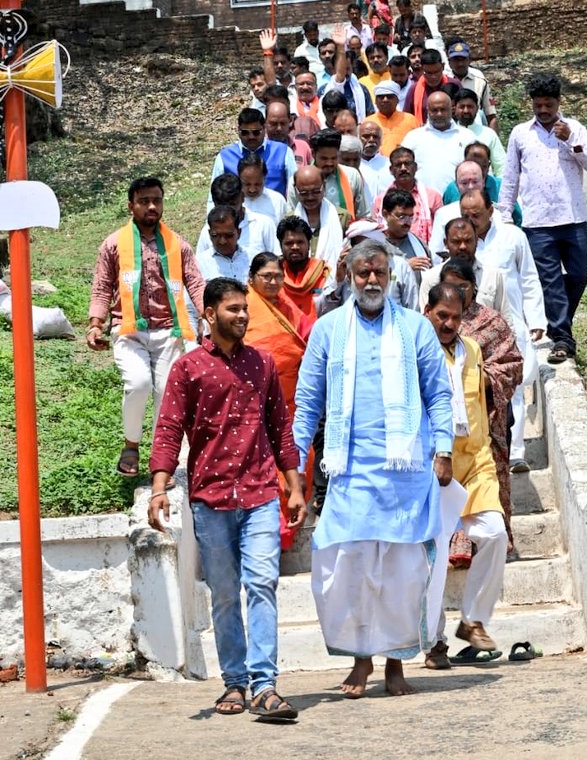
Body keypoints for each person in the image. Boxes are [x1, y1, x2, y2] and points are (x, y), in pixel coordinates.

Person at [292, 241, 454, 697]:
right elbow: (307, 401)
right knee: (348, 568)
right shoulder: (327, 331)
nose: (371, 281)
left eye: (379, 272)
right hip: (350, 472)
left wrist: (443, 448)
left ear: (391, 275)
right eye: (362, 273)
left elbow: (439, 394)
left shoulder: (416, 328)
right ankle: (360, 660)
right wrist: (292, 462)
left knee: (401, 575)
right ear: (348, 275)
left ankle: (396, 664)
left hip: (406, 474)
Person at [148, 277, 306, 720]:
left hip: (258, 494)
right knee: (222, 594)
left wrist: (293, 486)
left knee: (261, 584)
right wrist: (160, 487)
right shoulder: (188, 368)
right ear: (210, 314)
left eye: (244, 309)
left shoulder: (263, 364)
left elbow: (280, 427)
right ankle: (234, 683)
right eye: (233, 309)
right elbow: (168, 430)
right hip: (210, 499)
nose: (242, 315)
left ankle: (265, 684)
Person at [88, 177, 205, 478]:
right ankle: (130, 445)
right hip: (129, 331)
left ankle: (160, 456)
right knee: (139, 384)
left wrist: (208, 316)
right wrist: (95, 323)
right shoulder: (113, 244)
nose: (152, 207)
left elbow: (195, 282)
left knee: (167, 393)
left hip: (170, 331)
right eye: (144, 201)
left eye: (157, 200)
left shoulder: (177, 244)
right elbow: (102, 287)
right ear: (131, 206)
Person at [423, 282, 507, 668]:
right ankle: (434, 641)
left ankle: (472, 619)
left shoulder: (472, 350)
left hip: (475, 460)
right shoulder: (417, 351)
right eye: (443, 315)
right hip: (433, 465)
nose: (449, 323)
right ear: (428, 312)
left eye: (456, 317)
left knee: (494, 533)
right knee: (434, 556)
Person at [498, 74, 587, 363]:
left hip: (573, 217)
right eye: (538, 104)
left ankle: (559, 324)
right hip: (538, 221)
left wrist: (571, 141)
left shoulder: (575, 129)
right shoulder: (520, 133)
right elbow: (510, 176)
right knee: (551, 281)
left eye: (548, 104)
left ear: (559, 102)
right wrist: (505, 213)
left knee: (580, 275)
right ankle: (562, 339)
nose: (543, 110)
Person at [461, 189, 546, 473]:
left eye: (476, 214)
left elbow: (529, 278)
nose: (471, 220)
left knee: (515, 389)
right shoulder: (460, 242)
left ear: (491, 211)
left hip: (509, 326)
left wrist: (536, 320)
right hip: (469, 334)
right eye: (465, 215)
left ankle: (516, 452)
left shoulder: (513, 237)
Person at [440, 259, 522, 549]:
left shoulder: (492, 322)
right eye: (450, 287)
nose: (457, 293)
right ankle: (453, 544)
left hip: (484, 420)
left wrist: (481, 379)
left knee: (489, 506)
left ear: (474, 288)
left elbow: (513, 364)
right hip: (442, 434)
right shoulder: (427, 333)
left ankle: (492, 545)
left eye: (462, 287)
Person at [245, 253, 313, 549]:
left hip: (292, 401)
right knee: (266, 466)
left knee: (300, 459)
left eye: (277, 276)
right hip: (254, 402)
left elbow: (308, 334)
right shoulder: (243, 306)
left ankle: (288, 530)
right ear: (252, 279)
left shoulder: (287, 305)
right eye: (266, 277)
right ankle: (272, 534)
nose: (273, 282)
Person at [418, 217, 513, 327]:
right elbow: (426, 322)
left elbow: (506, 321)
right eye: (456, 242)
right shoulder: (431, 278)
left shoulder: (492, 275)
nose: (463, 246)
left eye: (468, 241)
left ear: (477, 241)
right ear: (446, 243)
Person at [318, 220, 419, 313]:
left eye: (379, 272)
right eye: (356, 245)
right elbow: (323, 311)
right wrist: (338, 281)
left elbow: (413, 308)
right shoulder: (343, 266)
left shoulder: (400, 266)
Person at [209, 107, 296, 202]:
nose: (251, 137)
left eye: (256, 132)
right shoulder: (224, 157)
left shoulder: (283, 152)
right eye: (245, 132)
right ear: (238, 130)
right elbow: (213, 195)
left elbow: (293, 189)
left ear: (264, 128)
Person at [402, 91, 477, 195]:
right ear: (428, 111)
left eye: (443, 109)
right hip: (422, 201)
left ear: (452, 109)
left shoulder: (467, 136)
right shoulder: (413, 137)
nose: (439, 114)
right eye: (434, 110)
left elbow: (478, 169)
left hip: (458, 202)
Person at [288, 130, 369, 221]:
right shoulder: (298, 180)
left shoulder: (352, 176)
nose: (329, 163)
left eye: (334, 158)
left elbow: (363, 215)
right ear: (313, 154)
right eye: (324, 158)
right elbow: (292, 217)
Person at [197, 173, 278, 263]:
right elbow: (199, 266)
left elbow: (277, 259)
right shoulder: (208, 231)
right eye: (221, 205)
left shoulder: (263, 225)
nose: (226, 212)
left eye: (232, 205)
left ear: (242, 197)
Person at [372, 146, 442, 245]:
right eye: (398, 165)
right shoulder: (381, 200)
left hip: (426, 253)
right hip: (391, 253)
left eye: (407, 164)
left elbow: (440, 231)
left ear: (415, 167)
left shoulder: (432, 196)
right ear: (391, 170)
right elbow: (377, 232)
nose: (403, 168)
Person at [443, 143, 522, 225]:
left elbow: (517, 219)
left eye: (482, 166)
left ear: (488, 166)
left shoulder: (501, 187)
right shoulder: (452, 189)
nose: (477, 169)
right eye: (473, 164)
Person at [289, 164, 348, 274]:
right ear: (295, 190)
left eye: (316, 191)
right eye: (304, 193)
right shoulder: (288, 220)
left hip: (335, 283)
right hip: (297, 284)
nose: (310, 197)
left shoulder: (342, 217)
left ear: (324, 186)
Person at [277, 215, 331, 322]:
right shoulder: (273, 275)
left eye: (300, 242)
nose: (295, 247)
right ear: (280, 245)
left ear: (309, 244)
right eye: (289, 243)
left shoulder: (324, 273)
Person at [429, 160, 485, 259]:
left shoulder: (497, 214)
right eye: (464, 183)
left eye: (475, 182)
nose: (470, 187)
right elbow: (435, 254)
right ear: (456, 184)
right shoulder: (443, 214)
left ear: (483, 181)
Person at [445, 40, 498, 132]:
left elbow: (490, 115)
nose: (460, 64)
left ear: (469, 60)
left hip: (476, 132)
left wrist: (493, 140)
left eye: (463, 59)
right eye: (456, 60)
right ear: (449, 62)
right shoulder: (444, 80)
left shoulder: (480, 81)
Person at [381, 188, 432, 280]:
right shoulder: (375, 244)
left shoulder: (418, 244)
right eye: (402, 217)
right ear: (385, 214)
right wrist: (404, 267)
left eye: (411, 217)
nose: (407, 223)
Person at [452, 88, 506, 175]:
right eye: (462, 107)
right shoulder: (450, 134)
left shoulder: (489, 134)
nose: (466, 111)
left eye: (470, 107)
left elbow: (501, 167)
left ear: (477, 108)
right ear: (455, 109)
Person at [195, 205, 250, 284]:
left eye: (228, 235)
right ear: (209, 234)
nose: (222, 241)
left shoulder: (252, 258)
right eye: (215, 235)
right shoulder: (199, 264)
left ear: (239, 233)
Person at [403, 49, 460, 122]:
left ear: (443, 66)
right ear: (422, 69)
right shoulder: (414, 89)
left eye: (436, 72)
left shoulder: (454, 85)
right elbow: (407, 118)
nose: (433, 76)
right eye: (429, 73)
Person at [370, 79, 419, 156]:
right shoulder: (368, 122)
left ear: (397, 100)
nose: (385, 100)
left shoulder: (411, 120)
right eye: (381, 97)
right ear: (375, 101)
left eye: (389, 96)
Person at [238, 153, 287, 227]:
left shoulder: (277, 201)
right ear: (239, 178)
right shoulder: (231, 202)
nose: (252, 190)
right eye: (247, 184)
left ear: (264, 178)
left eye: (257, 184)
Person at [358, 120, 392, 200]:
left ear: (381, 141)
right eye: (366, 136)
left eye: (375, 137)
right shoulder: (350, 166)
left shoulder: (390, 164)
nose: (371, 140)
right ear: (357, 138)